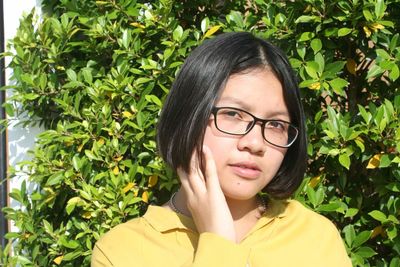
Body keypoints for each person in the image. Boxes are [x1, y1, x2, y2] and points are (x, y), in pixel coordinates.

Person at [91, 32, 352, 267]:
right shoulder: (121, 252)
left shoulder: (314, 236)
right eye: (232, 114)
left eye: (275, 124)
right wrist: (218, 242)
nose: (255, 143)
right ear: (188, 115)